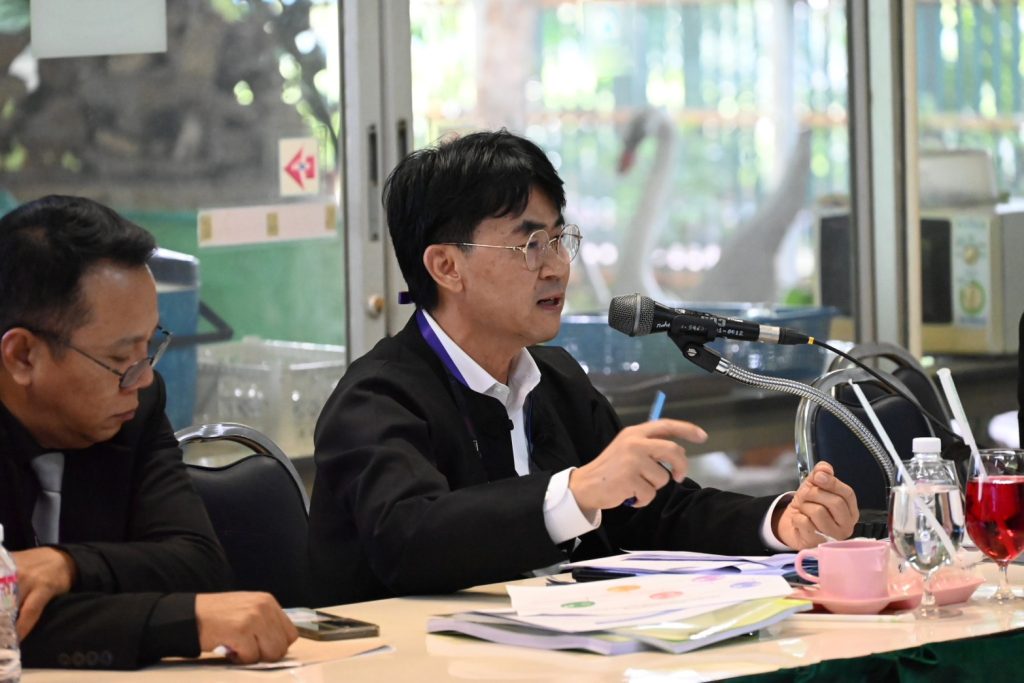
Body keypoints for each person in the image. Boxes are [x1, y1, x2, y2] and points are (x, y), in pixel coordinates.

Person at [308, 130, 859, 605]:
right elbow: (410, 540)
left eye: (559, 239)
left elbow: (650, 514)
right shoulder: (376, 399)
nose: (557, 267)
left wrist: (780, 521)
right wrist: (577, 491)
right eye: (530, 244)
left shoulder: (556, 380)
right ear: (447, 266)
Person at [0, 195, 297, 669]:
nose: (142, 379)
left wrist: (69, 565)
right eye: (120, 358)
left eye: (149, 345)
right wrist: (182, 622)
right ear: (22, 356)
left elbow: (198, 565)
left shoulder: (134, 405)